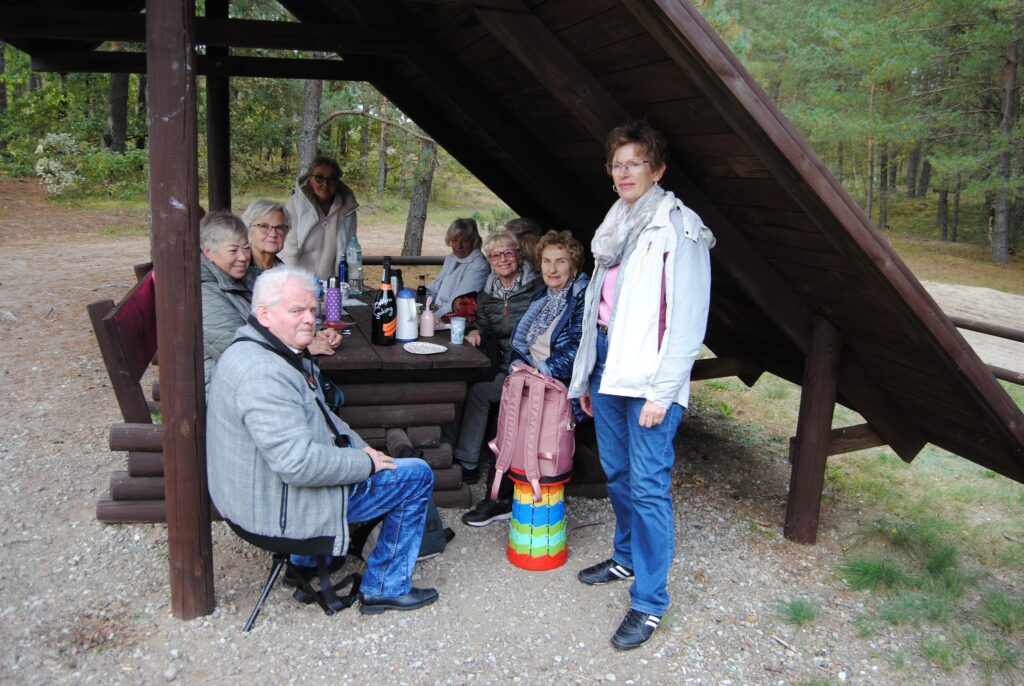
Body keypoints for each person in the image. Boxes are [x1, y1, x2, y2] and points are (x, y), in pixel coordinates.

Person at [206, 267, 439, 614]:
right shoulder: (263, 373)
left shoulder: (259, 348)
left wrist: (362, 447)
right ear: (264, 314)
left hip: (256, 496)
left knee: (374, 459)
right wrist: (365, 463)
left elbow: (322, 417)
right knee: (416, 474)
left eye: (313, 310)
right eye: (296, 310)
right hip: (275, 511)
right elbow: (297, 465)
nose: (309, 319)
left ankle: (305, 559)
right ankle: (385, 587)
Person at [568, 121, 714, 650]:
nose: (625, 171)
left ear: (658, 169)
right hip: (609, 365)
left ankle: (650, 603)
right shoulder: (616, 223)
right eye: (617, 163)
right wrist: (589, 373)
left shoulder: (680, 228)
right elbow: (599, 311)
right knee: (618, 473)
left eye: (635, 162)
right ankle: (626, 559)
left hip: (650, 374)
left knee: (649, 486)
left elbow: (688, 319)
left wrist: (663, 392)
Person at [461, 230, 590, 526]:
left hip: (558, 386)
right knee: (505, 420)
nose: (552, 269)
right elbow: (522, 342)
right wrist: (519, 368)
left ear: (574, 265)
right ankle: (499, 498)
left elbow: (578, 349)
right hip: (529, 378)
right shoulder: (545, 295)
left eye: (560, 261)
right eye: (546, 261)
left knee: (512, 422)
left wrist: (539, 374)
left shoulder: (581, 297)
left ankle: (516, 498)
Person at [200, 211, 340, 392]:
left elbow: (286, 311)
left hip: (261, 375)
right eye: (233, 250)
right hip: (226, 388)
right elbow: (237, 352)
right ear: (208, 252)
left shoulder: (248, 276)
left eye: (246, 248)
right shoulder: (203, 294)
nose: (243, 257)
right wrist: (300, 346)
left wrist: (317, 332)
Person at [455, 231, 542, 483]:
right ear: (489, 260)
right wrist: (473, 332)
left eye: (508, 253)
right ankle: (448, 455)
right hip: (500, 363)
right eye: (495, 255)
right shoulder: (487, 293)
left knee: (480, 394)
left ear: (518, 255)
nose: (502, 259)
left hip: (525, 366)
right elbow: (483, 326)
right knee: (458, 386)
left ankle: (468, 462)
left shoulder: (534, 288)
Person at [281, 156, 359, 280]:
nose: (325, 184)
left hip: (332, 287)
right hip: (299, 285)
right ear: (310, 178)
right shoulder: (295, 204)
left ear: (337, 181)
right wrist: (290, 283)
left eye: (331, 179)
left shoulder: (347, 209)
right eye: (319, 178)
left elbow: (351, 250)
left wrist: (354, 281)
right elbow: (288, 250)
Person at [427, 218, 489, 317]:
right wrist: (417, 294)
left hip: (455, 319)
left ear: (474, 241)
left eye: (465, 241)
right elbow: (435, 288)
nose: (458, 246)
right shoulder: (451, 258)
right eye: (454, 240)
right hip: (437, 311)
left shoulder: (479, 265)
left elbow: (458, 303)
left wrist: (432, 316)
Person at [242, 199, 289, 274]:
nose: (273, 234)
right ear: (248, 231)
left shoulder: (286, 274)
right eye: (264, 226)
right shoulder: (237, 269)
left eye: (279, 227)